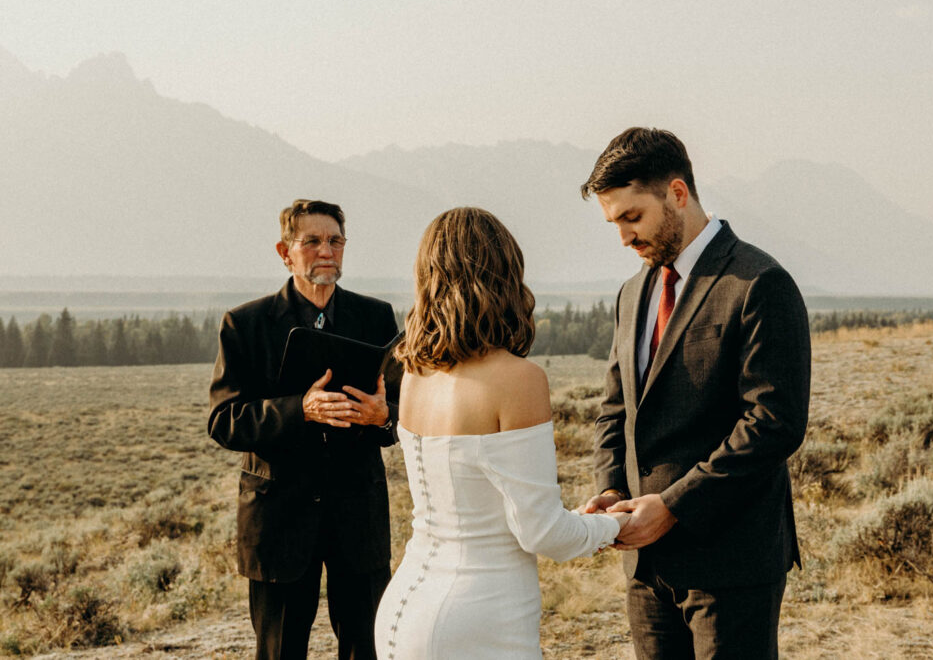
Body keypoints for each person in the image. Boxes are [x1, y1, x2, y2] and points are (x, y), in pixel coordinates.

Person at [580, 128, 811, 659]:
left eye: (632, 218)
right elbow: (616, 410)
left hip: (730, 564)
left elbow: (774, 423)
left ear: (678, 194)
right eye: (613, 223)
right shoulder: (632, 291)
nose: (624, 238)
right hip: (645, 567)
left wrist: (675, 506)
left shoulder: (759, 282)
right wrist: (612, 490)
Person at [374, 207, 628, 659]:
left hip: (403, 606)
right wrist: (615, 525)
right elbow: (543, 533)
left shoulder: (414, 375)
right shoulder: (517, 379)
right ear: (505, 275)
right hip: (480, 616)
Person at [208, 199, 400, 660]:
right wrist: (301, 410)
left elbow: (398, 407)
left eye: (334, 241)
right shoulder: (245, 324)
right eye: (311, 241)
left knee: (368, 648)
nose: (325, 251)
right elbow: (224, 420)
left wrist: (383, 417)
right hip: (279, 522)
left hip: (358, 517)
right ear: (284, 251)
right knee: (279, 653)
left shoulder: (376, 318)